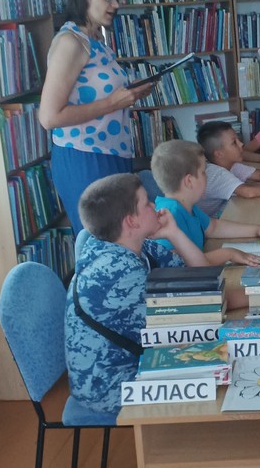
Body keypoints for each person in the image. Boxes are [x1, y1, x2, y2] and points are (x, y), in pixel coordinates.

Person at [64, 173, 207, 421]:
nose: (155, 205)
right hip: (110, 386)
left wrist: (174, 233)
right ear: (131, 221)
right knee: (213, 374)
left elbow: (199, 278)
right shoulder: (117, 273)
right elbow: (187, 318)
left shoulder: (131, 245)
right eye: (147, 203)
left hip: (134, 362)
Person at [39, 0, 153, 236]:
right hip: (85, 157)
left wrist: (130, 94)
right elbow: (49, 117)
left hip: (112, 153)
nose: (115, 4)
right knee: (100, 242)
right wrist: (114, 103)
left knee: (121, 240)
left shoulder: (95, 41)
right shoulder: (70, 42)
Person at [150, 140, 260, 265]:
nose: (207, 176)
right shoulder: (168, 215)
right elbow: (181, 264)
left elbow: (213, 227)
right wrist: (229, 254)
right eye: (203, 172)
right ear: (189, 181)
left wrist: (258, 230)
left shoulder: (185, 206)